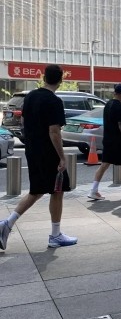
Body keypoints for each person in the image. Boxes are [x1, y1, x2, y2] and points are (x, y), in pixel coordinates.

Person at [0, 65, 77, 250]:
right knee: (57, 190)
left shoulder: (31, 96)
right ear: (61, 80)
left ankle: (7, 224)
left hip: (32, 150)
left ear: (44, 77)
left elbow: (24, 122)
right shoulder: (54, 101)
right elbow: (54, 132)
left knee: (37, 190)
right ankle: (55, 235)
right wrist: (62, 157)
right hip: (48, 152)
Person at [87, 84, 121, 201]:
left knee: (104, 165)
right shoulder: (120, 107)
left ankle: (93, 190)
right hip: (119, 142)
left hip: (108, 140)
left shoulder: (108, 104)